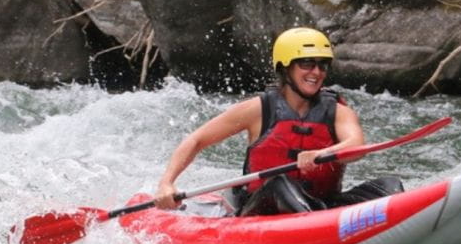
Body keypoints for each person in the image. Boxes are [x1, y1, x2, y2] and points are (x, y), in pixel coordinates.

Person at [153, 27, 403, 216]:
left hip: (322, 206)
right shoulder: (258, 109)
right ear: (285, 67)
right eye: (307, 64)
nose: (316, 72)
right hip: (263, 207)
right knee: (281, 183)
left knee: (389, 185)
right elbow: (196, 140)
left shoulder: (339, 111)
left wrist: (322, 153)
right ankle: (311, 229)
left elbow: (356, 146)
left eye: (322, 65)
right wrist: (167, 184)